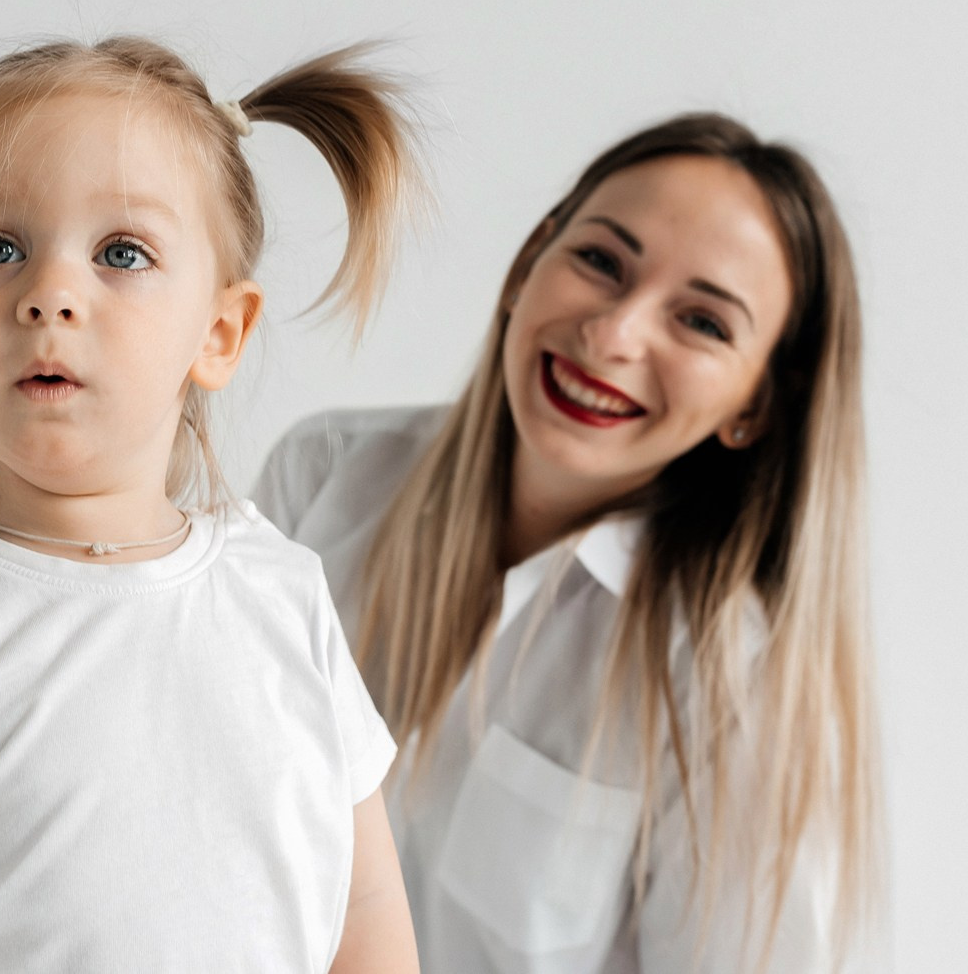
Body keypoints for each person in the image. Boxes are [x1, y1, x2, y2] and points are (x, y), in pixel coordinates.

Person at [0, 9, 425, 973]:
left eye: (122, 253)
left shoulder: (286, 597)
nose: (49, 293)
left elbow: (369, 911)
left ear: (220, 331)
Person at [254, 114, 883, 974]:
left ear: (755, 405)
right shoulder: (321, 478)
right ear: (527, 265)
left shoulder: (734, 686)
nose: (614, 334)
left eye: (702, 322)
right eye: (600, 261)